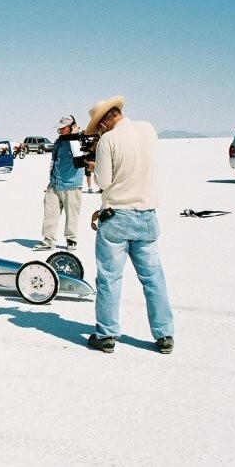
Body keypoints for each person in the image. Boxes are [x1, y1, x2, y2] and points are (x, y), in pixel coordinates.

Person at [83, 95, 174, 354]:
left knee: (110, 278)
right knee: (154, 278)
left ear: (102, 123)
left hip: (117, 217)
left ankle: (106, 334)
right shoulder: (148, 129)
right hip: (147, 215)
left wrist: (96, 161)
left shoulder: (108, 140)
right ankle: (164, 334)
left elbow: (104, 181)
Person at [33, 115, 84, 251]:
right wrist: (51, 179)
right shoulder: (58, 142)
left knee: (71, 215)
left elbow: (79, 159)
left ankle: (71, 239)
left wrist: (74, 136)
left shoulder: (78, 142)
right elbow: (53, 161)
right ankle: (48, 240)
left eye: (63, 128)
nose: (60, 130)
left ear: (72, 127)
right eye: (59, 128)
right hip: (55, 184)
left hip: (71, 185)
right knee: (50, 213)